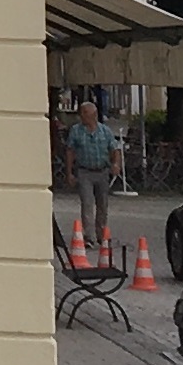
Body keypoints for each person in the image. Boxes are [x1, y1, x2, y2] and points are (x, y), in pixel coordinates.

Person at [66, 95, 122, 258]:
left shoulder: (105, 131)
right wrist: (69, 172)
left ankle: (101, 234)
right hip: (84, 171)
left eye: (85, 113)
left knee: (102, 204)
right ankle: (89, 236)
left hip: (102, 171)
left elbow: (115, 149)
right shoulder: (76, 131)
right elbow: (70, 151)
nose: (82, 115)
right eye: (81, 113)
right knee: (87, 203)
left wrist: (116, 164)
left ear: (93, 114)